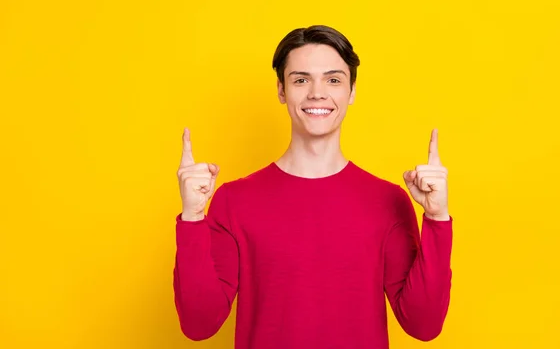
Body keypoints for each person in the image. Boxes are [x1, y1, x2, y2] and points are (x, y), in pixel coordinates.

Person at [173, 25, 453, 349]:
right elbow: (198, 325)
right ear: (281, 90)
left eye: (333, 79)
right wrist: (193, 218)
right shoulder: (234, 201)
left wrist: (437, 219)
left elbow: (424, 324)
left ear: (352, 92)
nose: (317, 92)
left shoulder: (387, 200)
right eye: (301, 79)